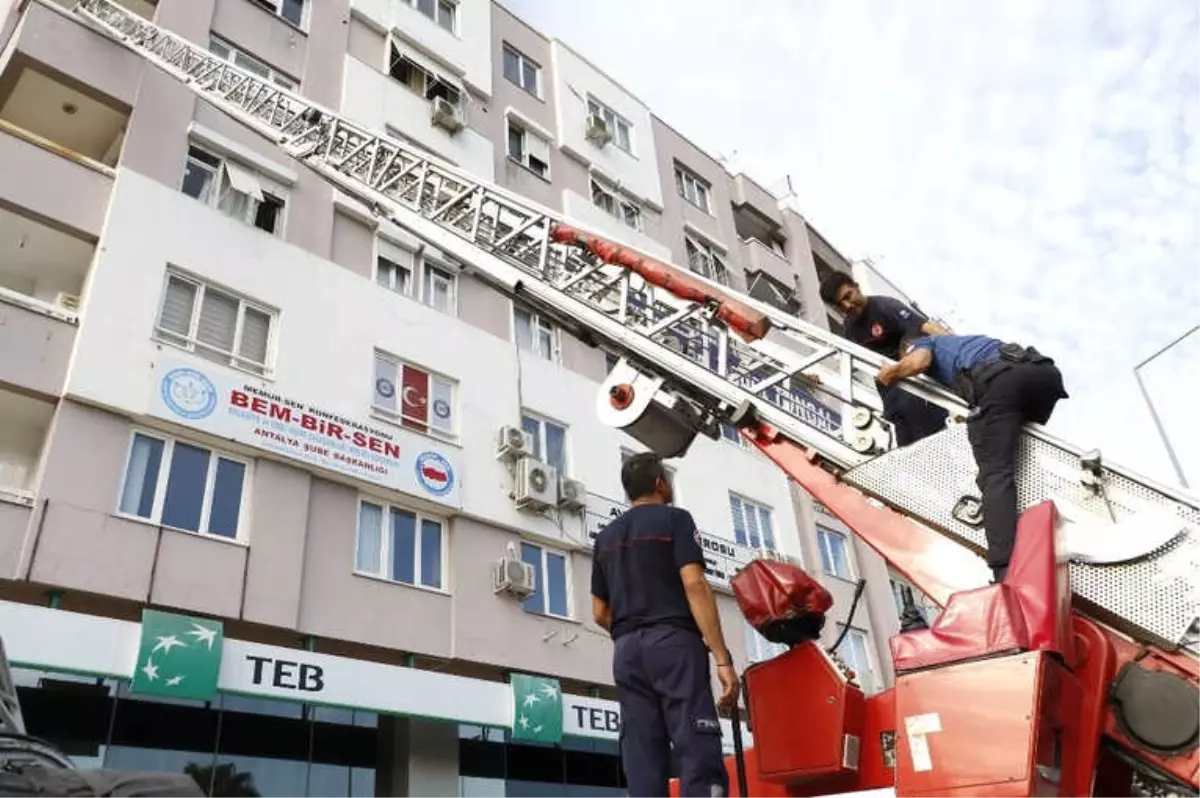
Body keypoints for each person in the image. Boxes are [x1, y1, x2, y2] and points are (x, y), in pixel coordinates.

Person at [591, 452, 737, 798]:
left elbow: (599, 612)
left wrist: (633, 632)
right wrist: (722, 658)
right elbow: (694, 584)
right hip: (674, 643)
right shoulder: (676, 520)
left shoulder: (605, 537)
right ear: (660, 483)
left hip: (626, 650)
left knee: (642, 750)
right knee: (696, 745)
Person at [878, 333, 1068, 582]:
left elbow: (919, 362)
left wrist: (890, 373)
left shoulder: (924, 344)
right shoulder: (964, 344)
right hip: (1044, 376)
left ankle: (1005, 572)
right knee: (1019, 462)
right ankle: (1041, 537)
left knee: (994, 475)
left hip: (1002, 380)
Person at [819, 272, 951, 445]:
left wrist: (963, 347)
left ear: (856, 287)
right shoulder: (849, 329)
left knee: (932, 441)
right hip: (890, 396)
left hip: (914, 385)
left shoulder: (885, 306)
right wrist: (820, 377)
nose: (847, 305)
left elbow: (925, 327)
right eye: (840, 305)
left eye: (848, 296)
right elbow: (847, 361)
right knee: (905, 447)